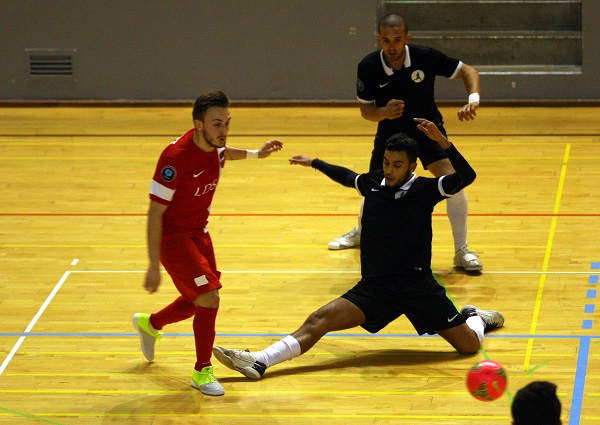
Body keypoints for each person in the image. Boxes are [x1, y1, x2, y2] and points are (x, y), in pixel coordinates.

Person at [211, 119, 503, 382]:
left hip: (417, 287)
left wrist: (443, 144)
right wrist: (315, 162)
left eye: (397, 165)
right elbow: (348, 177)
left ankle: (476, 317)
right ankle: (259, 361)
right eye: (387, 162)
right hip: (376, 288)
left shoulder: (426, 190)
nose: (389, 170)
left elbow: (467, 176)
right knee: (318, 319)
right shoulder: (375, 182)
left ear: (413, 166)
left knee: (468, 346)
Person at [132, 90, 283, 396]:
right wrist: (152, 264)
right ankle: (202, 371)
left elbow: (226, 154)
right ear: (198, 125)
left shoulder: (216, 147)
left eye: (227, 123)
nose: (224, 130)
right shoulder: (174, 158)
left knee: (196, 300)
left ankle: (151, 323)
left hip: (200, 233)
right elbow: (154, 213)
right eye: (217, 124)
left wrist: (257, 153)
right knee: (209, 297)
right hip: (173, 239)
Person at [329, 13, 483, 273]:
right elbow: (366, 111)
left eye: (397, 40)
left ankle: (461, 250)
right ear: (378, 39)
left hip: (427, 130)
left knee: (454, 183)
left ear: (407, 39)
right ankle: (360, 231)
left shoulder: (425, 57)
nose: (391, 46)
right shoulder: (368, 66)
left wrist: (474, 98)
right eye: (386, 40)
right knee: (375, 187)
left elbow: (468, 71)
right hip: (390, 136)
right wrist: (383, 113)